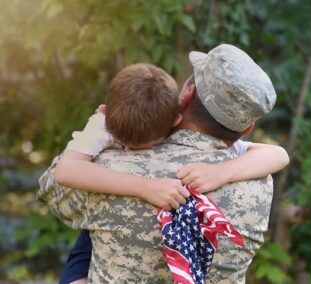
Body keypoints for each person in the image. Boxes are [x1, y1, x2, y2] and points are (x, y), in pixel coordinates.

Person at [38, 44, 284, 283]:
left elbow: (52, 185)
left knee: (87, 239)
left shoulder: (106, 167)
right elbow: (277, 154)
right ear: (247, 128)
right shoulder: (260, 182)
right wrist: (225, 172)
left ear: (186, 95)